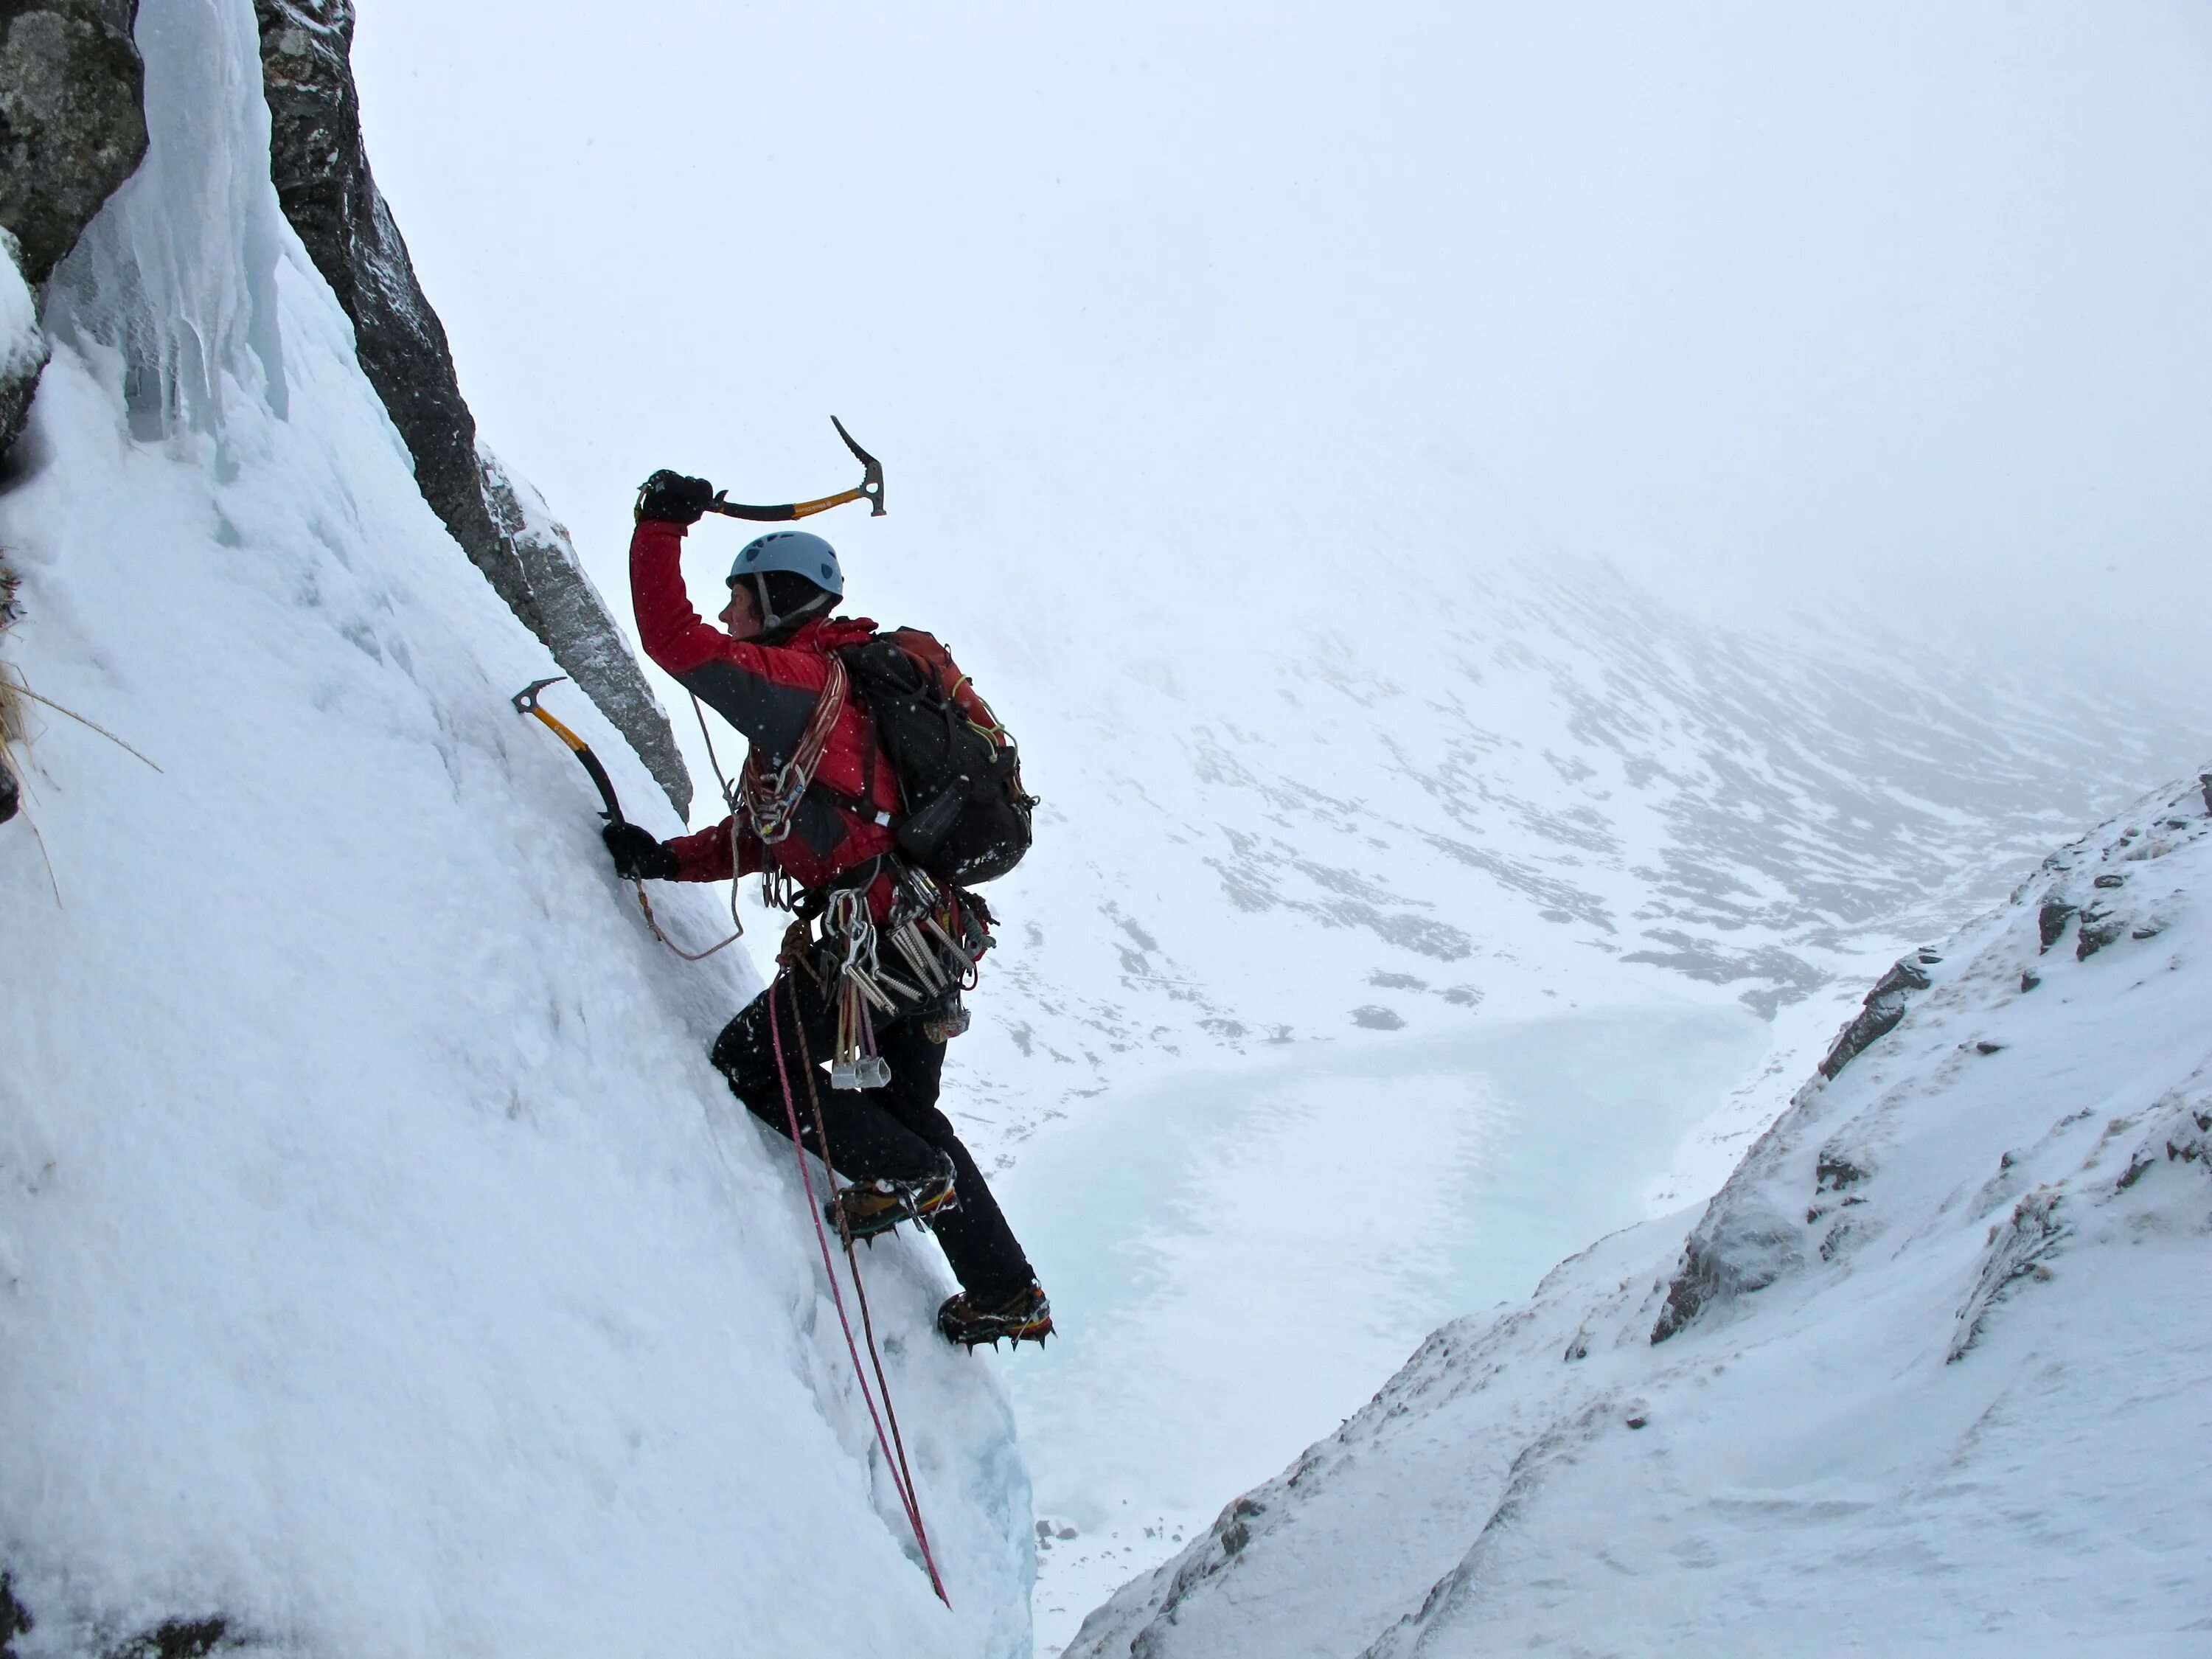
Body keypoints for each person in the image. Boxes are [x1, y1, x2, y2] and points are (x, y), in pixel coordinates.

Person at [607, 468, 1050, 1348]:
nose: (730, 618)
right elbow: (780, 836)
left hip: (872, 951)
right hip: (923, 946)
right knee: (909, 1109)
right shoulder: (839, 710)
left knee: (753, 1062)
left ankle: (908, 1174)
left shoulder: (807, 687)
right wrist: (668, 858)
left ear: (777, 600)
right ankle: (1005, 1291)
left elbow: (675, 642)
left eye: (741, 601)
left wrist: (660, 528)